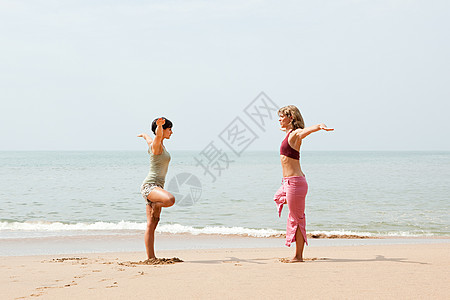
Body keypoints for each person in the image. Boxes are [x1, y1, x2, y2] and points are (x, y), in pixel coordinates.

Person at [274, 105, 333, 262]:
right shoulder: (287, 135)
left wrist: (319, 127)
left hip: (295, 183)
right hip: (288, 182)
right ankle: (295, 209)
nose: (279, 119)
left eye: (282, 116)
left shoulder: (295, 134)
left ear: (291, 117)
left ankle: (298, 256)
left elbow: (304, 131)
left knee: (297, 218)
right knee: (278, 198)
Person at [137, 117, 175, 259]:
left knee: (152, 224)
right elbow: (157, 136)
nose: (171, 132)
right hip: (150, 187)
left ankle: (151, 258)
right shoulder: (157, 145)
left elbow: (149, 139)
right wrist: (159, 126)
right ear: (162, 130)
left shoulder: (155, 144)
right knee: (170, 200)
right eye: (169, 129)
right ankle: (154, 202)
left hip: (157, 187)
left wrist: (143, 135)